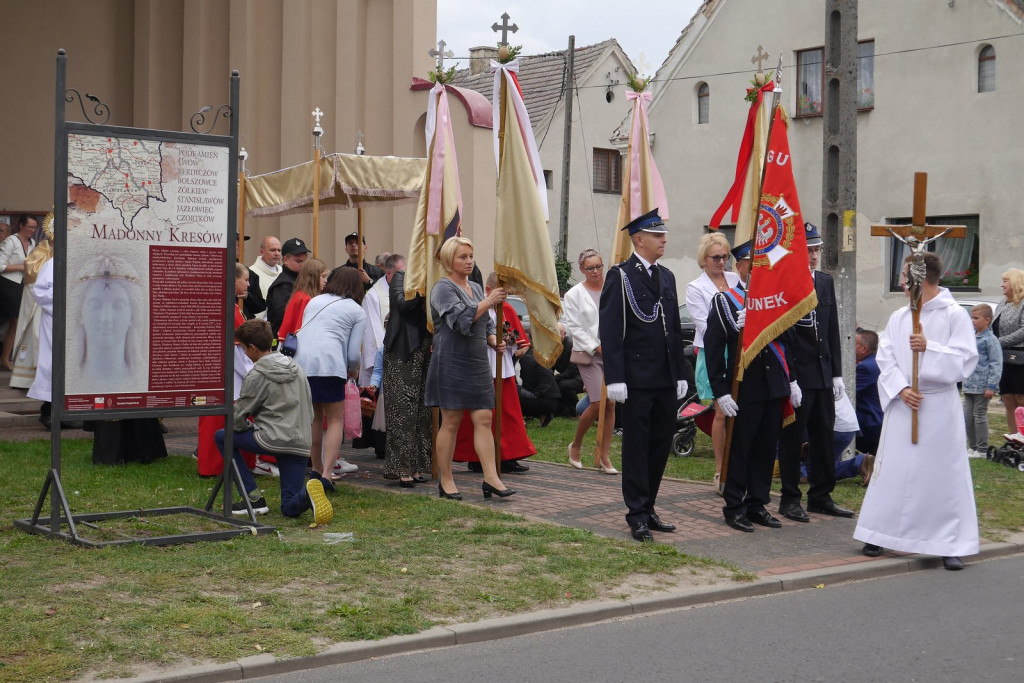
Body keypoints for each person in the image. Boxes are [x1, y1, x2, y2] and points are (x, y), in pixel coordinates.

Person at [855, 252, 979, 571]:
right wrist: (901, 388)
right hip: (904, 403)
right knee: (894, 470)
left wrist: (930, 348)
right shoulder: (899, 316)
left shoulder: (954, 315)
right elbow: (885, 358)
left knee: (941, 474)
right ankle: (880, 533)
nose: (899, 279)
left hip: (938, 405)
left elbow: (966, 361)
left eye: (904, 274)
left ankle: (949, 543)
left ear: (920, 279)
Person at [599, 209, 687, 542]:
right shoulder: (620, 276)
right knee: (637, 447)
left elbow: (674, 329)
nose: (664, 239)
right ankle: (636, 513)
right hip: (636, 377)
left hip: (664, 376)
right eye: (657, 235)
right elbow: (610, 329)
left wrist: (680, 371)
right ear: (639, 239)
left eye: (663, 234)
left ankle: (649, 507)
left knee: (659, 445)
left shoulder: (666, 276)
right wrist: (616, 377)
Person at [704, 240, 796, 532]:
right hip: (745, 387)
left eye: (763, 265)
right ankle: (734, 506)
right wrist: (719, 391)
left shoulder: (776, 300)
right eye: (752, 264)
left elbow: (790, 340)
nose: (758, 270)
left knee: (766, 449)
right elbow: (714, 348)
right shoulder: (725, 301)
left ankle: (758, 504)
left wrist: (791, 380)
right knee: (740, 448)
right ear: (740, 266)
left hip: (773, 385)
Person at [214, 320, 331, 525]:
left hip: (273, 438)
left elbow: (238, 416)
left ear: (252, 348)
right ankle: (307, 496)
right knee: (288, 507)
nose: (243, 354)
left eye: (243, 349)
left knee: (223, 437)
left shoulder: (257, 374)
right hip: (301, 441)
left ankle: (253, 498)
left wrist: (248, 428)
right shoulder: (297, 367)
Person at [425, 237, 515, 500]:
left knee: (484, 419)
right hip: (451, 360)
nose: (468, 261)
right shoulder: (442, 288)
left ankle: (491, 478)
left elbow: (484, 325)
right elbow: (460, 321)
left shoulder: (475, 287)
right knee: (451, 421)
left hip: (476, 361)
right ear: (448, 260)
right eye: (462, 256)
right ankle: (447, 479)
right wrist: (489, 301)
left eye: (470, 256)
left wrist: (494, 340)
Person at [777, 222, 852, 523]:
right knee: (793, 438)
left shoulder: (824, 281)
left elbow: (831, 327)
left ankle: (821, 495)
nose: (814, 255)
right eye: (809, 250)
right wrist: (791, 377)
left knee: (824, 435)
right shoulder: (787, 282)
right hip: (799, 374)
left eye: (817, 249)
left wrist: (836, 373)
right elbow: (784, 335)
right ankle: (789, 497)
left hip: (822, 373)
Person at [454, 272, 535, 474]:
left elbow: (519, 343)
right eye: (502, 292)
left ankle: (508, 456)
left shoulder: (506, 308)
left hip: (502, 367)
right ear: (488, 291)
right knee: (477, 416)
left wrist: (510, 340)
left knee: (506, 414)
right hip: (479, 366)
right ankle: (475, 457)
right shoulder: (477, 308)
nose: (504, 297)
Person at [293, 267, 366, 490]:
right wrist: (354, 369)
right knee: (335, 420)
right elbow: (353, 354)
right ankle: (327, 474)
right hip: (331, 363)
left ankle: (315, 468)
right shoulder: (356, 310)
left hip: (303, 364)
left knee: (314, 418)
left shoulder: (314, 301)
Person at [685, 231, 740, 492]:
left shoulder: (735, 279)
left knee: (740, 407)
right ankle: (720, 469)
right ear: (704, 259)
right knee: (720, 410)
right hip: (714, 352)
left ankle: (738, 463)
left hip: (738, 351)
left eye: (725, 257)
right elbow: (705, 325)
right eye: (716, 257)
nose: (721, 262)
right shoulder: (696, 287)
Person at [196, 263, 257, 476]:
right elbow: (238, 353)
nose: (248, 284)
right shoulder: (229, 309)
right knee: (226, 421)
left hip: (213, 372)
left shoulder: (219, 304)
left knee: (212, 420)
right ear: (233, 280)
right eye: (246, 279)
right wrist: (252, 373)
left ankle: (211, 465)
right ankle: (222, 466)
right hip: (231, 377)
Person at [563, 248, 617, 473]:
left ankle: (604, 455)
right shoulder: (573, 294)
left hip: (613, 353)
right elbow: (574, 326)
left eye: (599, 266)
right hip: (590, 354)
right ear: (582, 270)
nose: (595, 271)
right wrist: (596, 346)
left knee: (611, 404)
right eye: (590, 268)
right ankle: (575, 445)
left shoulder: (613, 289)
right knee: (597, 403)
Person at [381, 262, 433, 486]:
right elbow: (402, 305)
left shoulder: (438, 278)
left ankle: (417, 467)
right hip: (402, 348)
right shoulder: (402, 277)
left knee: (423, 410)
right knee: (402, 409)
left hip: (424, 347)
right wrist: (423, 290)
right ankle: (400, 467)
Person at [68, 253, 147, 395]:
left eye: (118, 305)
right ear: (80, 313)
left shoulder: (140, 382)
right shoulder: (70, 382)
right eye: (95, 305)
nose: (106, 318)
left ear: (132, 315)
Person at [10, 218, 53, 390]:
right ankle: (26, 378)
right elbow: (30, 268)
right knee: (35, 334)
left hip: (53, 307)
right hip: (40, 304)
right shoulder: (42, 248)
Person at [0, 214, 38, 370]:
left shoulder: (32, 242)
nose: (32, 230)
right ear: (21, 226)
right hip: (8, 284)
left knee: (15, 322)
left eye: (35, 227)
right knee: (15, 320)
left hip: (22, 285)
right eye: (29, 227)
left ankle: (6, 357)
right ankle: (6, 358)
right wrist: (22, 267)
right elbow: (1, 266)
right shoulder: (10, 241)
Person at [963, 303, 1002, 457]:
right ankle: (972, 447)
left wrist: (991, 385)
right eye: (971, 317)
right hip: (968, 385)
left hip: (982, 386)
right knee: (967, 417)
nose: (972, 320)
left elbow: (996, 363)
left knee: (979, 416)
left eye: (976, 318)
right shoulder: (971, 337)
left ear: (987, 320)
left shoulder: (991, 340)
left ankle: (982, 449)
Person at [993, 268, 1024, 434]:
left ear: (1015, 283)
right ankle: (1014, 438)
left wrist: (1000, 342)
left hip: (1021, 357)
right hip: (1003, 356)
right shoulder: (1002, 303)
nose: (1001, 284)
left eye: (1005, 281)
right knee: (1008, 398)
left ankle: (1023, 436)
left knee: (1021, 399)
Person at [276, 258, 328, 345]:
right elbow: (302, 332)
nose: (325, 280)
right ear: (313, 277)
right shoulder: (306, 300)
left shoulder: (300, 295)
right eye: (323, 276)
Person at [266, 237, 311, 336]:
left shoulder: (302, 281)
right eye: (298, 261)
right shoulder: (282, 285)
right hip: (284, 339)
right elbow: (283, 316)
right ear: (286, 260)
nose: (303, 265)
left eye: (305, 261)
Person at [854, 329, 883, 456]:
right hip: (878, 420)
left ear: (864, 349)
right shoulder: (876, 362)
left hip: (869, 423)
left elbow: (848, 392)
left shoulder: (865, 367)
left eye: (853, 344)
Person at [249, 236, 282, 302]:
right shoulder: (251, 273)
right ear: (261, 251)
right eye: (272, 250)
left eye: (279, 250)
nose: (277, 254)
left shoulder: (283, 271)